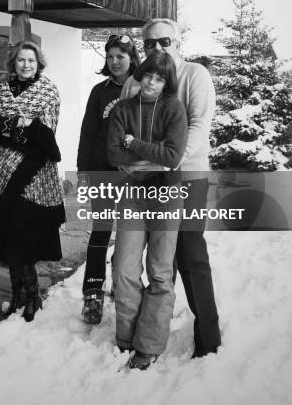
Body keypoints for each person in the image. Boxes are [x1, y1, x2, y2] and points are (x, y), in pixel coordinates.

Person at [121, 18, 221, 359]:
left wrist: (166, 160)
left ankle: (208, 337)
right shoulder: (136, 81)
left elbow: (198, 126)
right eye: (149, 43)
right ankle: (146, 333)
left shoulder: (195, 75)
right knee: (150, 260)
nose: (157, 48)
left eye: (163, 41)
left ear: (177, 42)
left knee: (189, 253)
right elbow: (122, 127)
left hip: (188, 176)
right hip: (144, 180)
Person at [0, 40, 65, 322]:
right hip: (1, 173)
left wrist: (8, 128)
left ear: (39, 64)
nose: (26, 65)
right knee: (7, 235)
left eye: (32, 61)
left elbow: (46, 136)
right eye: (22, 60)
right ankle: (17, 294)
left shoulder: (47, 91)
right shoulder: (0, 90)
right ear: (13, 62)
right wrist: (19, 124)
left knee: (24, 236)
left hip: (32, 175)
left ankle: (33, 295)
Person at [107, 52, 188, 370]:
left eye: (160, 78)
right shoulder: (123, 109)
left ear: (167, 82)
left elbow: (172, 157)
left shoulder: (174, 108)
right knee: (124, 268)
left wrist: (133, 143)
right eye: (148, 76)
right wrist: (137, 150)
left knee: (159, 271)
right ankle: (126, 336)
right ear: (140, 75)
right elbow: (114, 154)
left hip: (167, 194)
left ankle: (150, 344)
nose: (152, 83)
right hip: (133, 195)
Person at [78, 34, 140, 324]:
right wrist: (82, 171)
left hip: (132, 174)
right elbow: (88, 133)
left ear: (131, 58)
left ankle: (122, 282)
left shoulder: (143, 88)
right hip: (101, 170)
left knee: (130, 233)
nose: (115, 62)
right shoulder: (99, 92)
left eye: (121, 56)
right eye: (110, 56)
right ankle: (92, 295)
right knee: (101, 231)